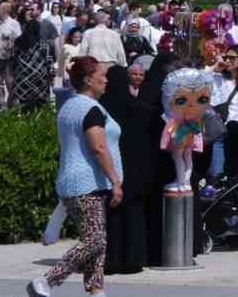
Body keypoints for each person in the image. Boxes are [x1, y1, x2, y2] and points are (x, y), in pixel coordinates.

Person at [29, 56, 122, 297]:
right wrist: (114, 180)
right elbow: (98, 148)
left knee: (97, 241)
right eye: (102, 75)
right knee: (94, 240)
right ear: (88, 79)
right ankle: (46, 280)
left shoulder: (68, 105)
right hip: (87, 183)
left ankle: (95, 290)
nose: (106, 79)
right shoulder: (90, 109)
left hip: (75, 181)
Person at [101, 61, 159, 275]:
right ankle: (133, 259)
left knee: (111, 216)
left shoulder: (102, 106)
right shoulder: (137, 107)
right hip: (135, 170)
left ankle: (110, 259)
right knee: (133, 214)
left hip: (111, 169)